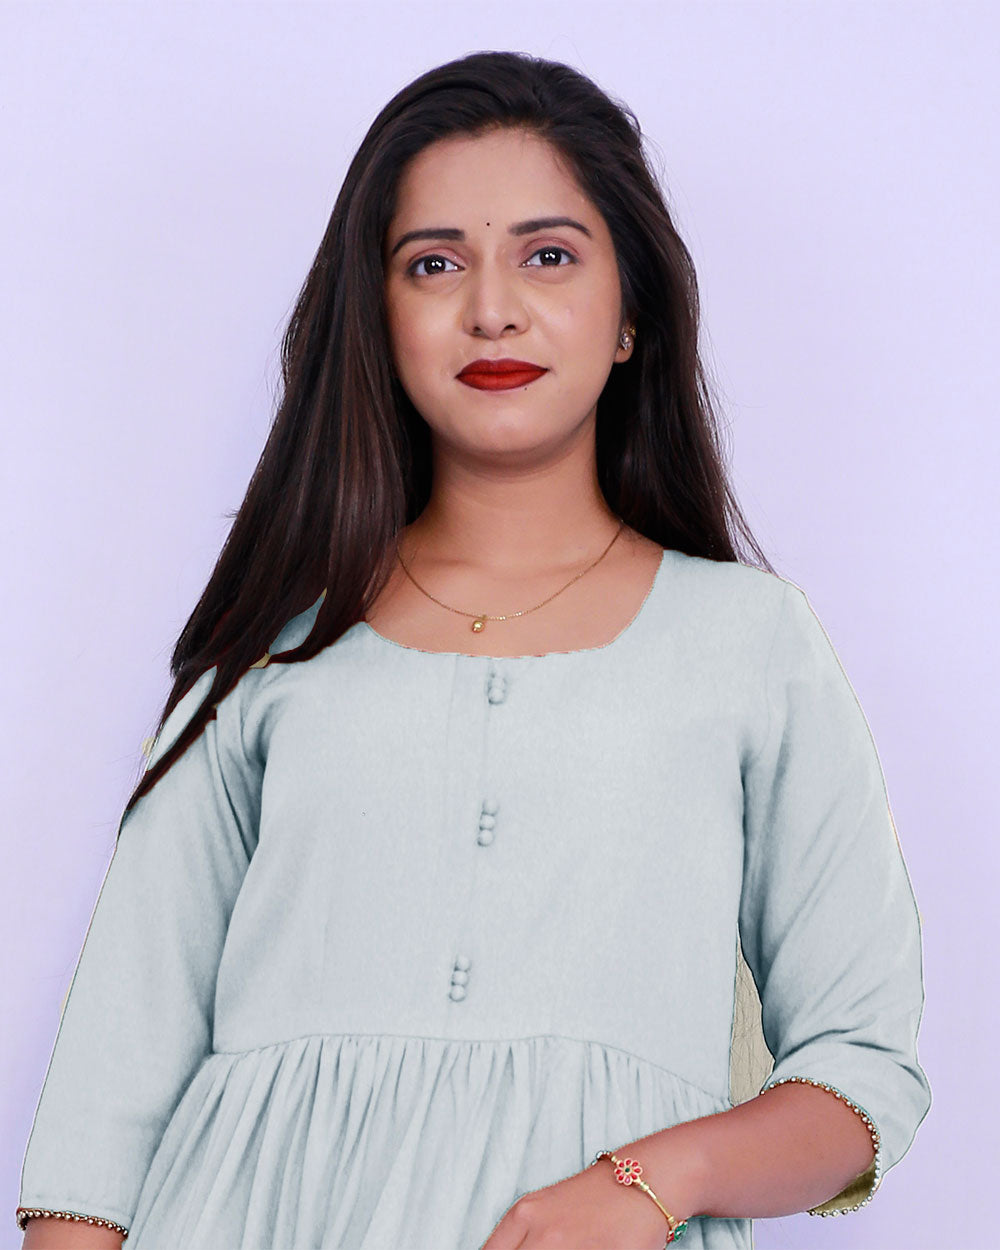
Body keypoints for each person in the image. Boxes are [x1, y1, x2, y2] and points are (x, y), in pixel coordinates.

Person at [16, 49, 931, 1250]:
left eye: (548, 255)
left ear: (631, 315)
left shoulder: (752, 645)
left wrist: (650, 1178)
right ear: (379, 315)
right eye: (433, 263)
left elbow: (863, 1073)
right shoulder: (266, 652)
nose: (491, 307)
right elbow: (105, 1096)